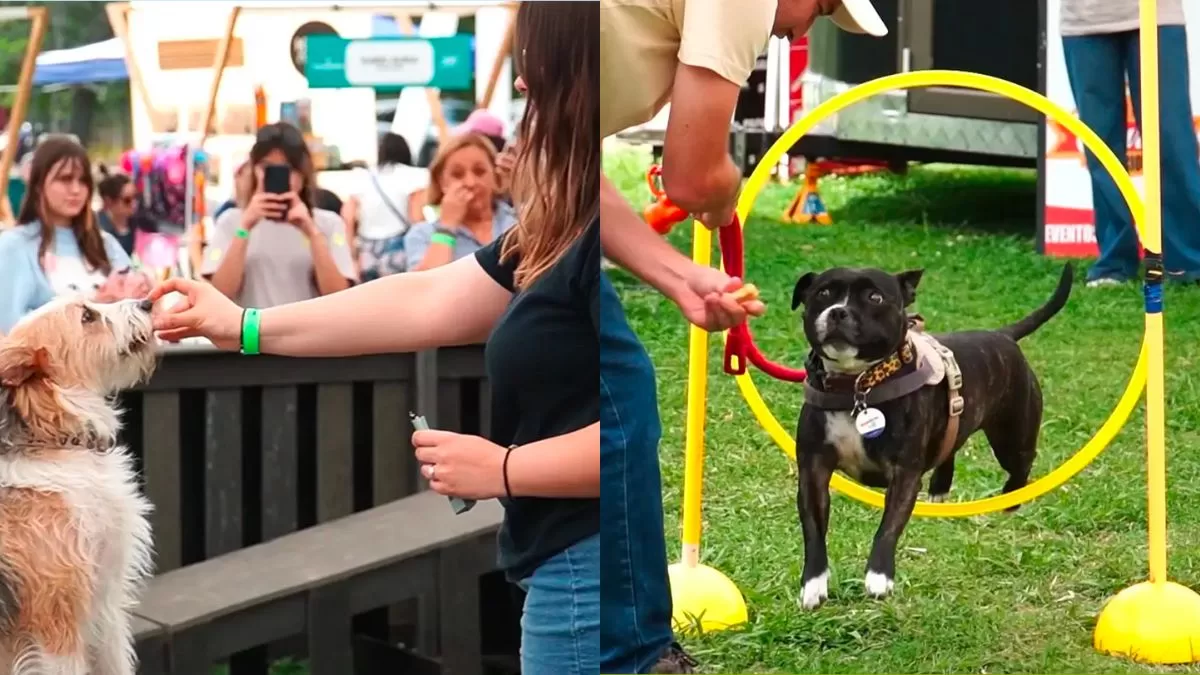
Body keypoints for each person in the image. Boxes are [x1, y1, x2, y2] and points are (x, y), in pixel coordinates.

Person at [147, 5, 597, 674]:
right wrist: (240, 325)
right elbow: (425, 296)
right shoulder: (554, 228)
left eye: (534, 62)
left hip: (587, 569)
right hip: (553, 563)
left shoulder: (592, 236)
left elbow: (628, 432)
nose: (522, 86)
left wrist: (504, 468)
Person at [599, 0, 886, 672]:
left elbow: (565, 160)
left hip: (550, 180)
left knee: (616, 407)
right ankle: (631, 654)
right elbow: (695, 175)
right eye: (820, 7)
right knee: (618, 417)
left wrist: (677, 276)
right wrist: (723, 189)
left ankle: (624, 645)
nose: (805, 28)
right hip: (543, 184)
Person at [1059, 0, 1200, 286]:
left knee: (1172, 142)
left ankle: (1188, 261)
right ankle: (1114, 263)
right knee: (1101, 148)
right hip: (1084, 20)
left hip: (1157, 15)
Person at [201, 121, 357, 308]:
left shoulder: (328, 223)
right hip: (252, 333)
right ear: (254, 170)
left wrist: (312, 233)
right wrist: (245, 228)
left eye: (287, 169)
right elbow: (221, 293)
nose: (279, 177)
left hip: (309, 334)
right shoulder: (232, 221)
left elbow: (339, 297)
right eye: (267, 168)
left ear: (302, 172)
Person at [0, 136, 139, 333]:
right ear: (39, 184)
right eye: (65, 179)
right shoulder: (13, 246)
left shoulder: (106, 244)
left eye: (83, 181)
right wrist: (96, 305)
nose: (76, 190)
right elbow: (10, 331)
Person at [404, 132, 518, 271]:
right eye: (457, 174)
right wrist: (447, 228)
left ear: (494, 175)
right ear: (442, 183)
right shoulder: (422, 234)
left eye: (480, 171)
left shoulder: (518, 223)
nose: (470, 182)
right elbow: (424, 287)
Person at [342, 132, 430, 280]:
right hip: (398, 248)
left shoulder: (363, 177)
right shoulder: (413, 176)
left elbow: (347, 218)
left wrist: (351, 257)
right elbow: (416, 218)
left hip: (367, 250)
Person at [96, 171, 140, 256]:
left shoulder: (138, 222)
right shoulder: (98, 230)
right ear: (109, 201)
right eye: (127, 200)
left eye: (136, 197)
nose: (134, 203)